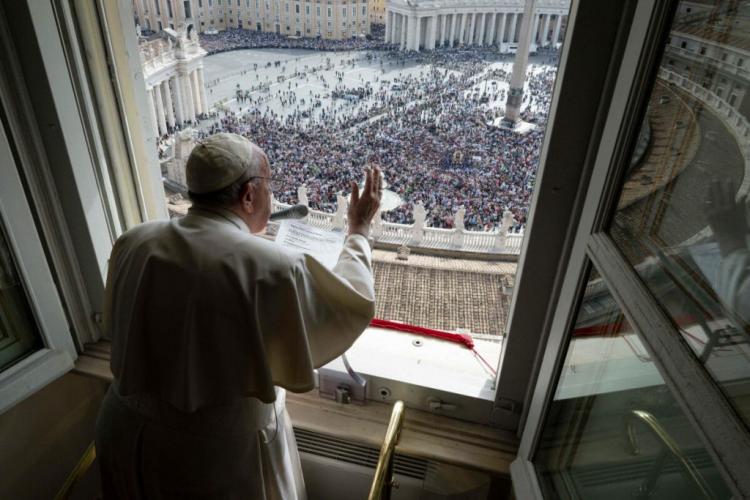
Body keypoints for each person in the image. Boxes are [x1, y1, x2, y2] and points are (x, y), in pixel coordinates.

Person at [95, 132, 382, 499]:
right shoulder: (274, 267)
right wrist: (358, 231)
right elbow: (351, 300)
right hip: (212, 456)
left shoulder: (134, 240)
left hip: (123, 430)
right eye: (268, 186)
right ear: (248, 195)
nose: (272, 196)